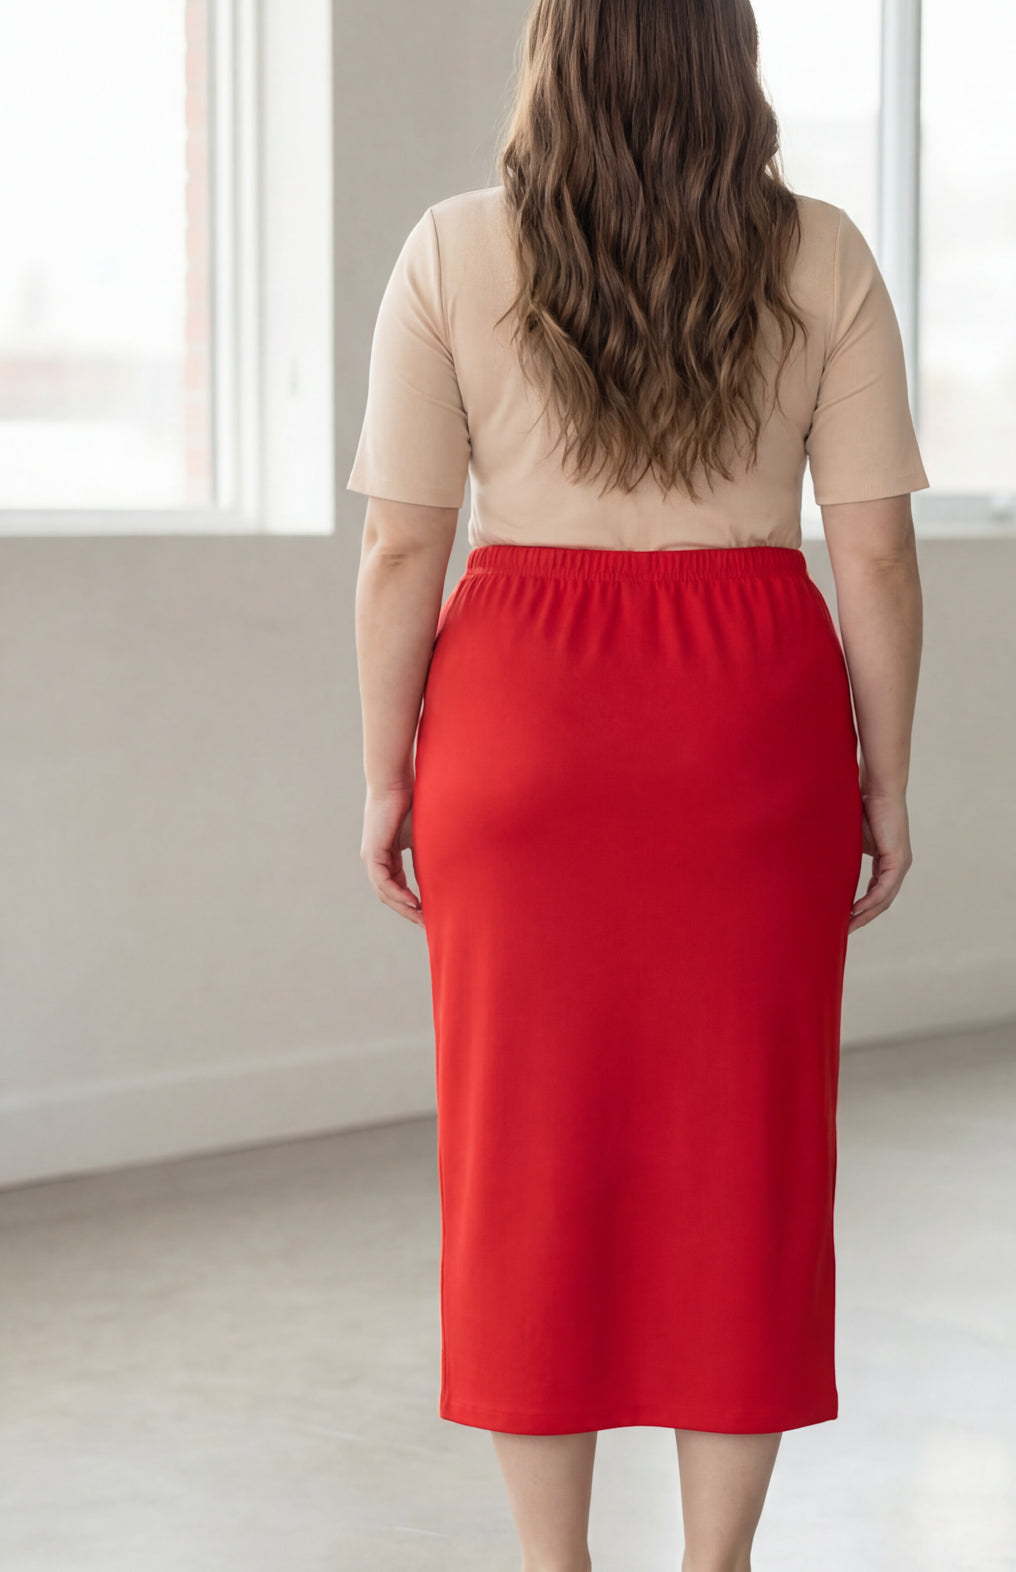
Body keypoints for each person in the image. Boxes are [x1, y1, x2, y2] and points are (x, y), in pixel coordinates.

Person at [348, 1, 926, 1566]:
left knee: (523, 1153)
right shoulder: (822, 254)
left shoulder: (451, 251)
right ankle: (715, 1559)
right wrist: (883, 779)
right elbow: (869, 546)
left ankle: (555, 1562)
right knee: (745, 1152)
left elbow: (406, 541)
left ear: (555, 54)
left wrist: (384, 772)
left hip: (517, 718)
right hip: (748, 717)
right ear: (724, 56)